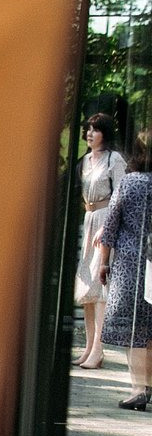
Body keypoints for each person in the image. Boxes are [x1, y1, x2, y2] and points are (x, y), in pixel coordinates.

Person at [98, 130, 152, 410]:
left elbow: (110, 225)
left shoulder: (130, 183)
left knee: (134, 329)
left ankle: (138, 389)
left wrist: (104, 262)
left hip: (131, 264)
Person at [75, 111, 129, 369]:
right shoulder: (85, 160)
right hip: (89, 219)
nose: (89, 133)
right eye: (88, 129)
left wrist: (107, 227)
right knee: (87, 289)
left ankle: (99, 349)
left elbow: (120, 196)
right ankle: (87, 349)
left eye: (95, 129)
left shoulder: (113, 159)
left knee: (100, 288)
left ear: (104, 134)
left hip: (105, 221)